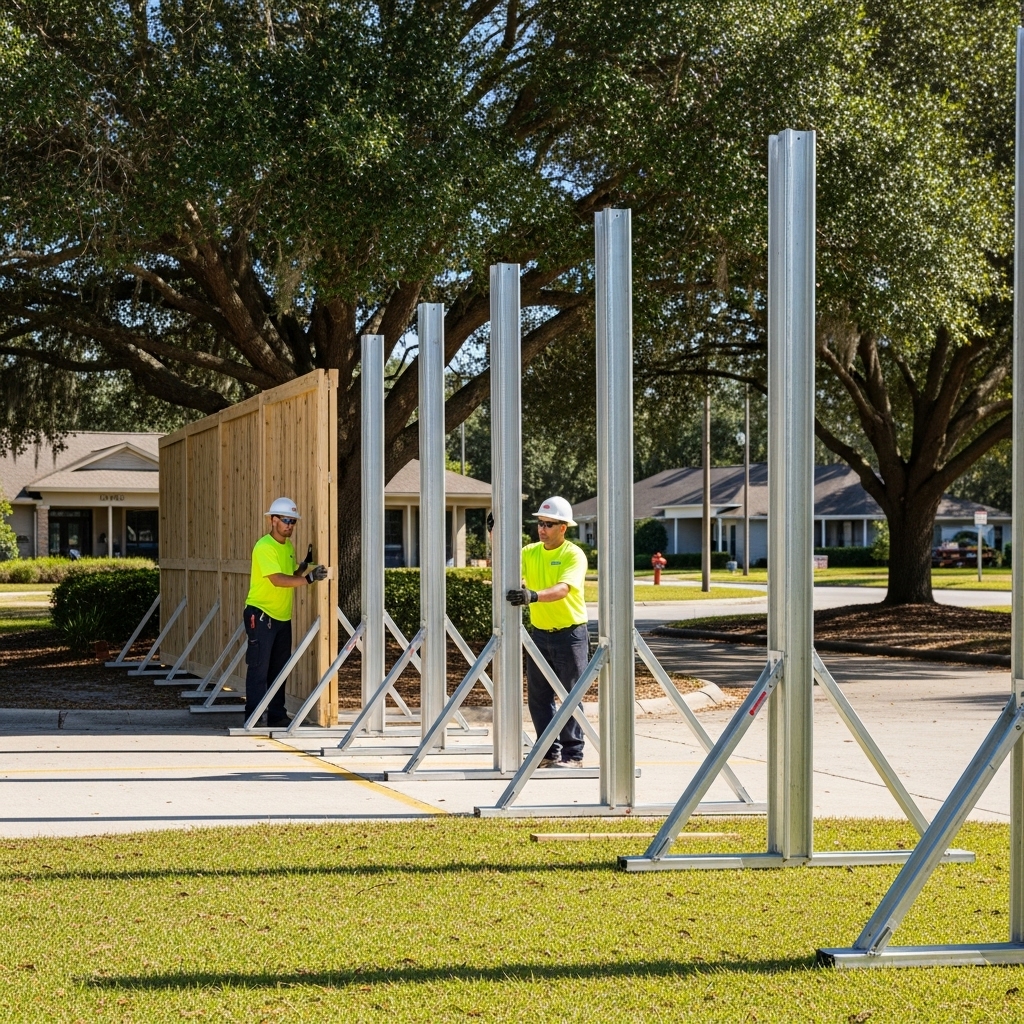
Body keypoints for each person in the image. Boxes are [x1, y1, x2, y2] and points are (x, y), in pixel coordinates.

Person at [506, 496, 589, 768]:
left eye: (548, 524)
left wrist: (532, 595)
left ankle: (573, 755)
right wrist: (495, 534)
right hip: (540, 635)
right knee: (539, 697)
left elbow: (563, 589)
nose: (542, 529)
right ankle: (548, 752)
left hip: (570, 635)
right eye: (540, 523)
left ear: (563, 527)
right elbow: (505, 562)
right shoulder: (530, 552)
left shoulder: (572, 554)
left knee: (570, 695)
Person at [243, 497, 328, 726]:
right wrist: (309, 578)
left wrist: (303, 568)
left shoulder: (288, 546)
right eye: (286, 520)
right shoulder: (264, 546)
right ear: (273, 520)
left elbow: (290, 576)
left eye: (293, 521)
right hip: (261, 614)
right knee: (259, 668)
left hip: (282, 617)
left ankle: (276, 715)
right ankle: (252, 717)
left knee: (279, 669)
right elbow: (278, 580)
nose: (290, 525)